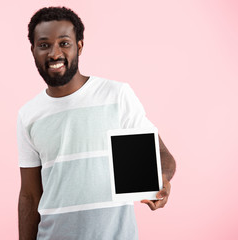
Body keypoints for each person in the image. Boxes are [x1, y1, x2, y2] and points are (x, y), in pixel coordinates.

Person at [17, 6, 176, 240]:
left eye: (64, 43)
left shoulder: (117, 95)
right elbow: (30, 196)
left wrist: (159, 178)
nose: (54, 53)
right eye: (44, 45)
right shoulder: (29, 114)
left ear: (79, 46)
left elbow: (163, 156)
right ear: (33, 50)